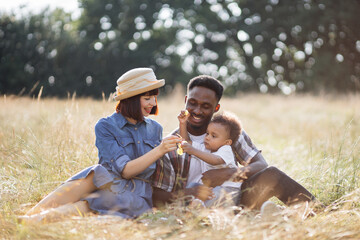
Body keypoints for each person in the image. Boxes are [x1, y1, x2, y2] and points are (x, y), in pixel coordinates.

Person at [22, 68, 181, 222]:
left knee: (91, 202)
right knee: (95, 173)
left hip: (135, 195)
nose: (153, 103)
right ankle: (30, 215)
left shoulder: (155, 129)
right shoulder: (106, 126)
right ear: (131, 99)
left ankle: (33, 220)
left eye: (154, 97)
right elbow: (125, 171)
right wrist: (160, 150)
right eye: (147, 98)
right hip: (108, 184)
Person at [152, 75, 317, 211]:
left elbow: (260, 164)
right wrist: (190, 191)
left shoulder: (228, 132)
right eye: (193, 103)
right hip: (195, 207)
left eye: (206, 106)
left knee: (272, 174)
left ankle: (317, 211)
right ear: (186, 100)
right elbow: (157, 196)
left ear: (216, 108)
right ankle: (262, 215)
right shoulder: (172, 144)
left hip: (236, 200)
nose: (197, 111)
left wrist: (230, 173)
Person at [178, 110, 242, 207]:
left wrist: (193, 151)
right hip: (211, 189)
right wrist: (182, 123)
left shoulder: (226, 149)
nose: (207, 138)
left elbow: (216, 160)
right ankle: (188, 209)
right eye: (207, 133)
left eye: (213, 136)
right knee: (192, 187)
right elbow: (186, 141)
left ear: (227, 142)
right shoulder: (204, 148)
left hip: (228, 190)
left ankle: (199, 211)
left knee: (216, 194)